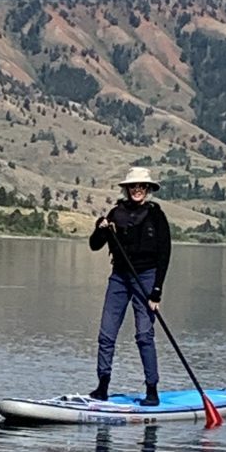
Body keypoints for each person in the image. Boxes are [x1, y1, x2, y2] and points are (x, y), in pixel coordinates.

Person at [88, 167, 171, 404]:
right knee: (106, 333)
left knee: (144, 334)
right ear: (127, 189)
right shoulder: (116, 213)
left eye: (141, 186)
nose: (137, 190)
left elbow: (165, 254)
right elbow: (94, 245)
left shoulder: (156, 215)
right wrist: (100, 228)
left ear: (147, 189)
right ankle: (102, 387)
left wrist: (157, 291)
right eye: (133, 186)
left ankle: (152, 391)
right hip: (119, 277)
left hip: (147, 277)